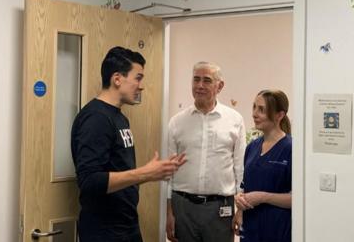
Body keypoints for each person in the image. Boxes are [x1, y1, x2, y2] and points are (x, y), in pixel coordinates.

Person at [71, 46, 186, 242]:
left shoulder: (119, 118)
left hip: (125, 226)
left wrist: (153, 173)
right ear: (117, 79)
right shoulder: (96, 118)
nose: (141, 86)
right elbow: (90, 182)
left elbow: (118, 171)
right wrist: (146, 173)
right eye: (138, 78)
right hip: (104, 232)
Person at [166, 61, 246, 242]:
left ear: (220, 86)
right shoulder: (177, 122)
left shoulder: (235, 120)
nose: (200, 85)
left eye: (207, 80)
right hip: (183, 207)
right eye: (196, 80)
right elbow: (168, 172)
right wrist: (168, 211)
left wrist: (240, 210)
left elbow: (240, 168)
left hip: (220, 209)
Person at [232, 90, 292, 242]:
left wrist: (264, 197)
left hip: (277, 229)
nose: (254, 114)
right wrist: (239, 207)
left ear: (279, 115)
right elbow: (246, 186)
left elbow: (298, 199)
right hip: (251, 227)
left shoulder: (291, 148)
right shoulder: (252, 147)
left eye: (262, 110)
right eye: (254, 107)